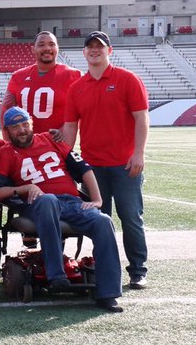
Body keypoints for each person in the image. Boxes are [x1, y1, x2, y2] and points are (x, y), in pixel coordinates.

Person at [0, 106, 123, 313]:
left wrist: (97, 200)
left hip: (70, 202)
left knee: (103, 221)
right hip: (37, 205)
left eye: (25, 124)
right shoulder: (5, 153)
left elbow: (84, 169)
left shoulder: (52, 139)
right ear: (7, 131)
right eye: (16, 127)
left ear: (31, 124)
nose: (22, 130)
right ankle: (56, 275)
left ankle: (108, 293)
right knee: (48, 199)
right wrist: (25, 188)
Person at [61, 31, 150, 289]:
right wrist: (64, 160)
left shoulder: (127, 79)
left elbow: (141, 118)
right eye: (89, 47)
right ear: (84, 52)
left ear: (109, 50)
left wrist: (139, 153)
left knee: (130, 217)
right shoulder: (77, 87)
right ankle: (104, 268)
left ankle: (137, 270)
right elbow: (70, 128)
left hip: (124, 165)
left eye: (99, 46)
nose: (94, 50)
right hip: (92, 167)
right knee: (99, 220)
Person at [3, 30, 81, 136]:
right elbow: (6, 109)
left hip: (57, 144)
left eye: (51, 44)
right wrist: (8, 138)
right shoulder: (18, 76)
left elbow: (82, 111)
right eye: (41, 45)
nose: (47, 48)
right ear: (33, 49)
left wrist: (63, 131)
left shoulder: (74, 75)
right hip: (26, 144)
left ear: (57, 48)